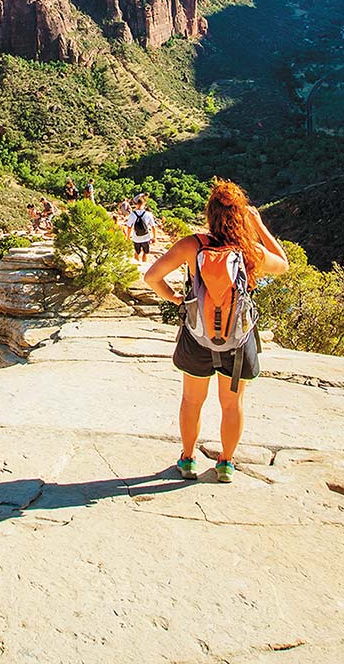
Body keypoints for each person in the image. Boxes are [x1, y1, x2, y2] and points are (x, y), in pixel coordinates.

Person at [143, 180, 288, 483]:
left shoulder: (191, 245)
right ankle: (225, 463)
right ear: (240, 216)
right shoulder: (251, 253)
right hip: (237, 341)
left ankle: (187, 459)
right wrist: (259, 225)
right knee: (232, 403)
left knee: (192, 400)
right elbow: (284, 265)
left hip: (197, 336)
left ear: (210, 214)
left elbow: (152, 276)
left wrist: (176, 298)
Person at [125, 196, 159, 262]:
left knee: (136, 253)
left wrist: (128, 237)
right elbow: (153, 227)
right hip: (146, 238)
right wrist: (154, 237)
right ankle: (144, 264)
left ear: (135, 204)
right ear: (144, 204)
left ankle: (138, 265)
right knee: (145, 253)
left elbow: (129, 227)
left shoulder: (132, 215)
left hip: (136, 238)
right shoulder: (148, 214)